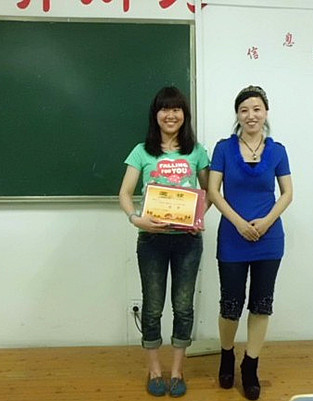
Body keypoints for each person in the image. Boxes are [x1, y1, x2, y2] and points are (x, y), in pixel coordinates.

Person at [119, 86, 210, 397]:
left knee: (183, 307)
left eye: (176, 109)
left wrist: (197, 218)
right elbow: (124, 193)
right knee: (153, 307)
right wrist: (137, 219)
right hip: (152, 241)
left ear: (184, 114)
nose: (170, 115)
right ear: (155, 114)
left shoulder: (196, 151)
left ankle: (177, 370)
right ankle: (155, 370)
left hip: (188, 242)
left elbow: (210, 191)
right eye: (164, 109)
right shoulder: (141, 151)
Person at [207, 85, 293, 400]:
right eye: (244, 110)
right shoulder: (223, 148)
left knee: (261, 304)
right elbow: (214, 192)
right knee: (230, 305)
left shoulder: (278, 150)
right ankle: (226, 354)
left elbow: (287, 193)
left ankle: (250, 365)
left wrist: (267, 221)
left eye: (256, 109)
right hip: (233, 237)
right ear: (238, 115)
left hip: (269, 239)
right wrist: (239, 223)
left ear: (265, 113)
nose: (251, 115)